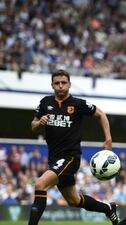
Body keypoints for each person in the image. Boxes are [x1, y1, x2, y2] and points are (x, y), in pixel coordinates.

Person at [29, 69, 118, 225]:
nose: (61, 86)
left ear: (69, 84)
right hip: (54, 158)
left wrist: (108, 139)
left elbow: (101, 115)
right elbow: (33, 126)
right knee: (74, 200)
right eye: (57, 83)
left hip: (70, 157)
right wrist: (39, 122)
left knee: (40, 184)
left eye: (64, 83)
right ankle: (108, 208)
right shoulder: (45, 102)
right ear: (52, 85)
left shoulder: (78, 104)